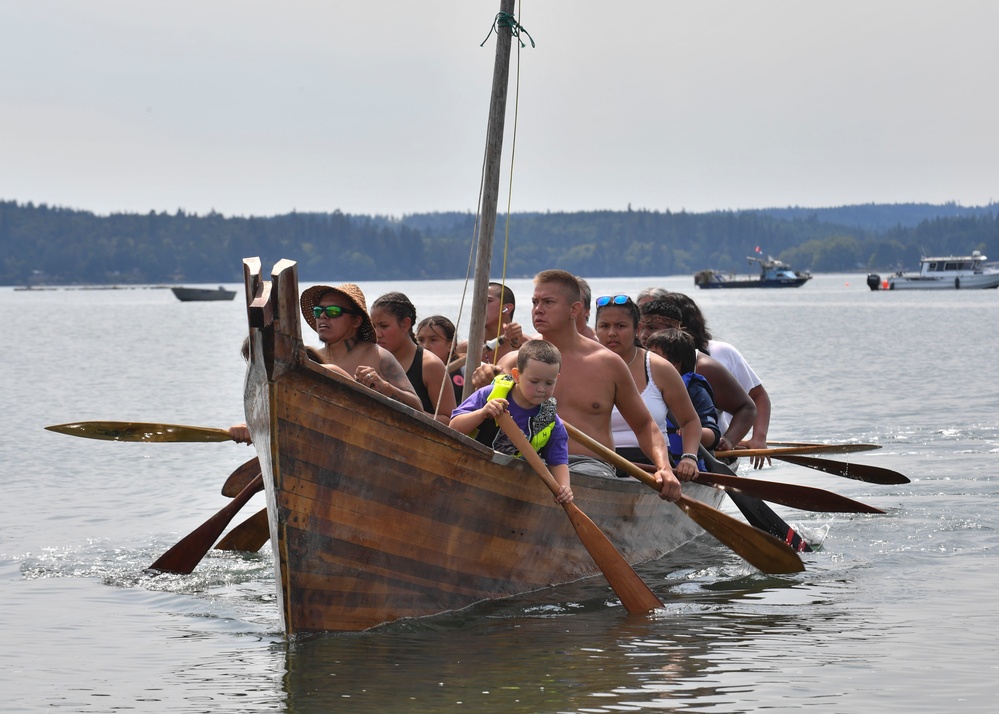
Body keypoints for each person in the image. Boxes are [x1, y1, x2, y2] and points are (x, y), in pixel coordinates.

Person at [479, 269, 683, 502]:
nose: (538, 309)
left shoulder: (608, 363)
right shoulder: (514, 361)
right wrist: (486, 381)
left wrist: (664, 467)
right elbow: (486, 414)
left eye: (548, 302)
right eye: (535, 302)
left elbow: (645, 425)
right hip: (525, 463)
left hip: (588, 468)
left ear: (574, 310)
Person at [640, 289, 772, 468]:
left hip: (705, 451)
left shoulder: (703, 367)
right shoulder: (635, 359)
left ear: (674, 330)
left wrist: (729, 440)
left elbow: (748, 407)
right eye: (641, 327)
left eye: (653, 328)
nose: (643, 335)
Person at [593, 294, 701, 480]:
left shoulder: (659, 368)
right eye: (604, 326)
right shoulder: (583, 367)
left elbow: (690, 421)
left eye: (620, 326)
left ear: (638, 329)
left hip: (653, 464)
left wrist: (689, 457)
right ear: (595, 330)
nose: (611, 333)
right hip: (597, 463)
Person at [450, 340, 573, 504]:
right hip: (467, 474)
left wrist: (564, 487)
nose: (542, 389)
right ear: (517, 376)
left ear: (556, 379)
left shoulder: (551, 420)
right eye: (534, 381)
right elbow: (454, 428)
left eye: (549, 383)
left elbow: (557, 460)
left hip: (508, 490)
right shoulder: (490, 394)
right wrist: (482, 413)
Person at [299, 283, 423, 411]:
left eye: (333, 311)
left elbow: (417, 407)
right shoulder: (313, 358)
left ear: (356, 321)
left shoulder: (378, 356)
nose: (323, 316)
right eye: (318, 311)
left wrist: (384, 387)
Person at [371, 293, 457, 424]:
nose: (377, 334)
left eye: (384, 326)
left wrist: (412, 411)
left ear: (405, 324)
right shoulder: (372, 358)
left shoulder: (429, 365)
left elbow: (451, 421)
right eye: (373, 326)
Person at [645, 328, 721, 463]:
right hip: (651, 463)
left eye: (654, 356)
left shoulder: (695, 389)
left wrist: (694, 431)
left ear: (675, 363)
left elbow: (713, 436)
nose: (647, 361)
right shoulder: (645, 387)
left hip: (686, 467)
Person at [415, 315, 464, 404]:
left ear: (450, 345)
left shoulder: (465, 370)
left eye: (433, 340)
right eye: (420, 340)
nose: (425, 346)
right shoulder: (407, 369)